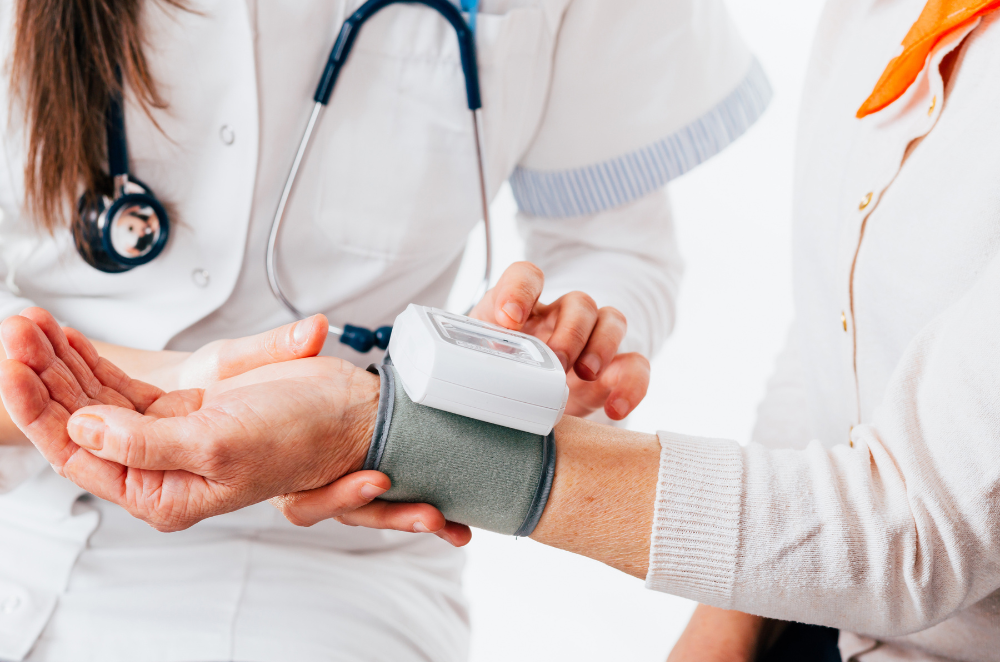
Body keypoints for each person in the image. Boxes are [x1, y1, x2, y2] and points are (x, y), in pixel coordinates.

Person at [6, 0, 999, 660]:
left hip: (340, 548)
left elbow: (616, 248)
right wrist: (195, 387)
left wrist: (558, 343)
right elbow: (836, 359)